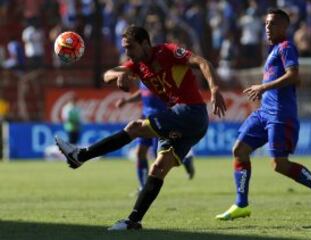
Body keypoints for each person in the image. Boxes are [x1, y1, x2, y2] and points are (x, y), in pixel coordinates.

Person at [55, 25, 226, 230]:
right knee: (158, 167)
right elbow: (106, 75)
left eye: (130, 47)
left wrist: (214, 88)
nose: (127, 53)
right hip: (185, 123)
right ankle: (133, 221)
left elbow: (201, 62)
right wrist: (120, 74)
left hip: (190, 112)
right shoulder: (137, 64)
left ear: (145, 44)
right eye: (125, 48)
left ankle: (81, 155)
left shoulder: (167, 51)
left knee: (135, 127)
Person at [215, 9, 311, 221]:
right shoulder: (272, 51)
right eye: (266, 24)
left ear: (284, 27)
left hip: (281, 114)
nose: (267, 28)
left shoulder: (287, 47)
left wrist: (263, 87)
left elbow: (294, 75)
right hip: (264, 112)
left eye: (272, 24)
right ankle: (241, 204)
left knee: (279, 164)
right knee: (239, 150)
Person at [115, 82, 196, 192]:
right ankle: (143, 187)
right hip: (145, 118)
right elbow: (143, 93)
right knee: (140, 153)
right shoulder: (142, 76)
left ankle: (185, 159)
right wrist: (127, 101)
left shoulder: (158, 75)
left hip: (159, 119)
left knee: (159, 156)